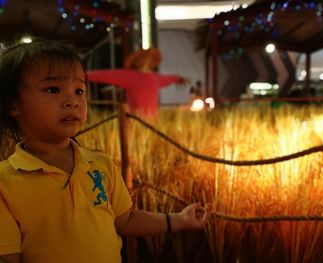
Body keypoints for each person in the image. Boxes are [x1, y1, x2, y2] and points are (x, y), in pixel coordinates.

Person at [0, 39, 211, 263]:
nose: (73, 100)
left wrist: (179, 219)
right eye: (53, 89)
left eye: (80, 90)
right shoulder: (5, 183)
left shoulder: (100, 164)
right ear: (12, 105)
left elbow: (126, 219)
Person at [87, 47, 187, 119]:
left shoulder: (155, 78)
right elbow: (105, 75)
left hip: (148, 123)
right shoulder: (130, 76)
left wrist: (178, 79)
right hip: (135, 121)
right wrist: (85, 75)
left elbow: (170, 78)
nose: (146, 61)